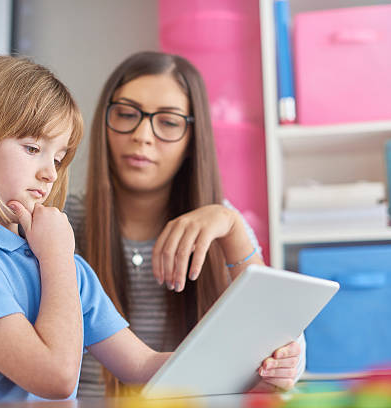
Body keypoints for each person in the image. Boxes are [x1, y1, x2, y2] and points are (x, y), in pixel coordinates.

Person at [0, 55, 172, 404]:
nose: (51, 174)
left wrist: (248, 369)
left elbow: (142, 365)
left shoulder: (63, 269)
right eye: (32, 148)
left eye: (57, 158)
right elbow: (54, 377)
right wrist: (57, 258)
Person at [64, 51, 305, 397]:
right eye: (127, 114)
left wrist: (233, 228)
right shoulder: (62, 224)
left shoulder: (223, 225)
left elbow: (283, 343)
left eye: (168, 122)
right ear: (105, 121)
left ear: (193, 139)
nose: (143, 135)